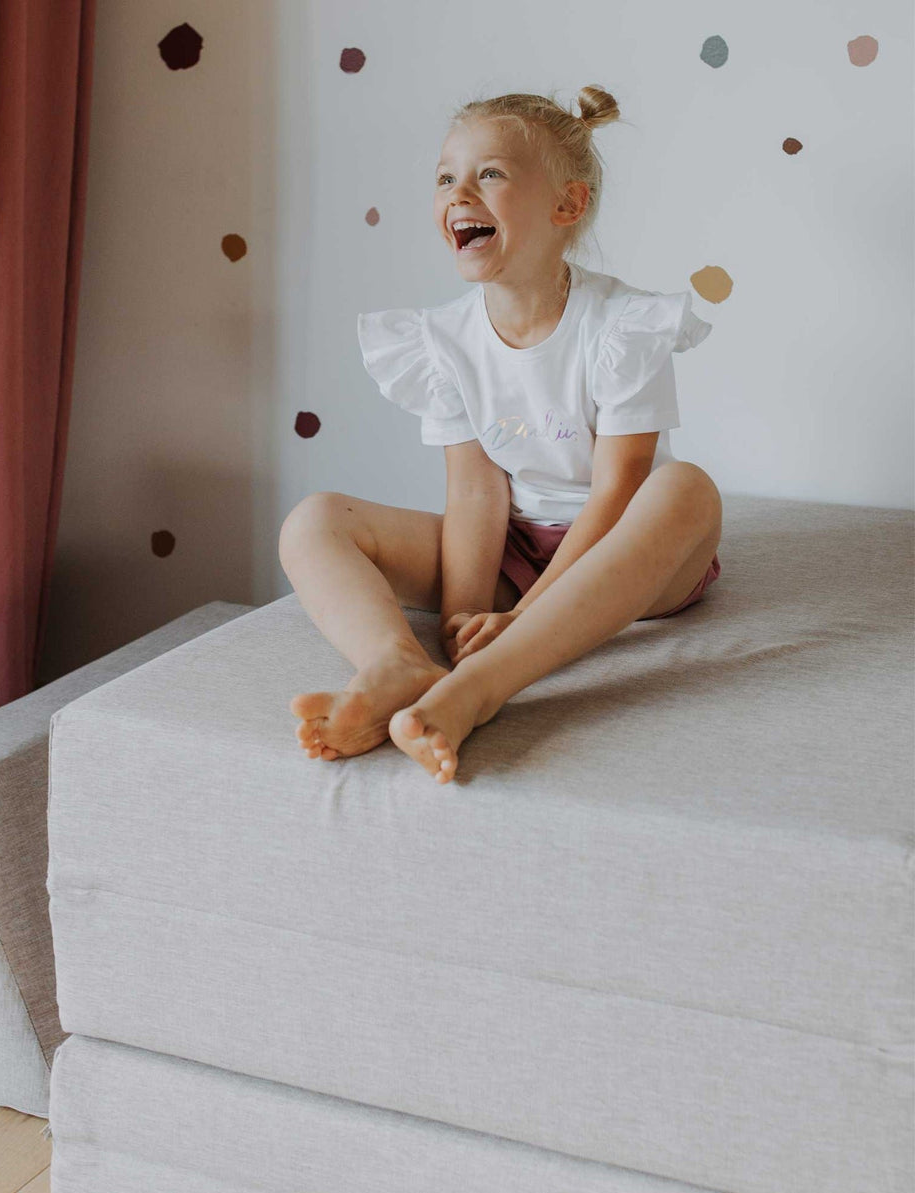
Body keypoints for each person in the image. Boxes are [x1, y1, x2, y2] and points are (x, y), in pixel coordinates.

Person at [278, 87, 723, 785]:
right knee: (315, 522)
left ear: (567, 207)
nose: (459, 192)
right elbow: (477, 492)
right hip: (517, 546)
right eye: (446, 177)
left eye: (489, 174)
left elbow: (619, 490)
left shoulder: (622, 327)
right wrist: (466, 616)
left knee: (687, 490)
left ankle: (480, 691)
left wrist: (516, 627)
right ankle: (395, 663)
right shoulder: (443, 339)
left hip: (625, 550)